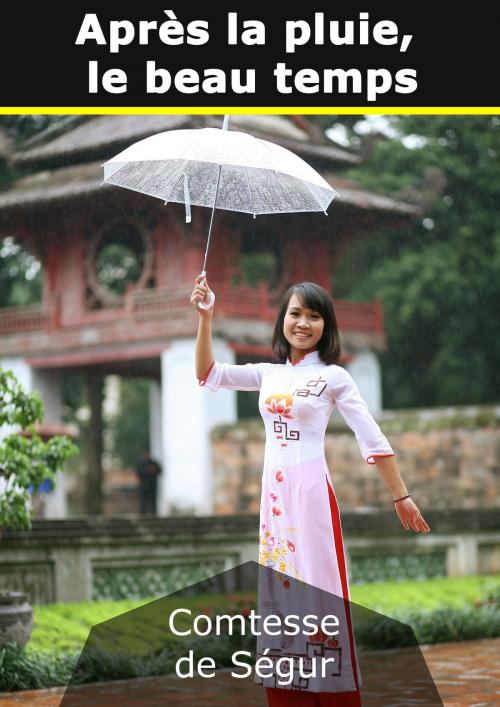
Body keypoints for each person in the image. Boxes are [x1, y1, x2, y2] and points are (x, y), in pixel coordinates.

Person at [191, 275, 430, 706]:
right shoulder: (266, 374)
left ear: (326, 325)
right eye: (295, 313)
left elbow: (370, 438)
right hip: (276, 503)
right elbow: (208, 374)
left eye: (314, 316)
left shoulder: (334, 377)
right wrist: (206, 318)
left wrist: (401, 494)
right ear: (282, 319)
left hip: (311, 498)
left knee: (321, 598)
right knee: (281, 598)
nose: (303, 323)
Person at [135, 450, 162, 515]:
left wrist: (153, 470)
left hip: (152, 485)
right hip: (144, 485)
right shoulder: (141, 463)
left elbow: (159, 470)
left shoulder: (154, 463)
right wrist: (148, 470)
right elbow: (139, 472)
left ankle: (153, 513)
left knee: (153, 501)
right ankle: (142, 514)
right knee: (143, 501)